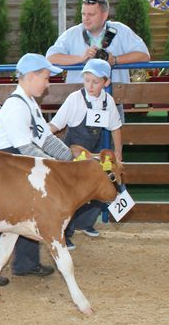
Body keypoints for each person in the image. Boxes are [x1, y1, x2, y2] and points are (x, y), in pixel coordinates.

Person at [0, 53, 73, 285]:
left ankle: (26, 263)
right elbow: (26, 147)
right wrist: (56, 167)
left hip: (15, 162)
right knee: (1, 213)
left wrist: (69, 157)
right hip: (2, 164)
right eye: (45, 78)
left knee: (28, 210)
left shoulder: (30, 103)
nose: (47, 84)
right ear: (31, 76)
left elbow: (45, 138)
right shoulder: (17, 105)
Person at [49, 58, 122, 249]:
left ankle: (85, 222)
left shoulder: (108, 101)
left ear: (106, 83)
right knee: (70, 193)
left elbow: (115, 128)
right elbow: (56, 125)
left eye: (95, 82)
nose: (90, 85)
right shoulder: (75, 99)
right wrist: (38, 133)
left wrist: (118, 155)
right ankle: (66, 233)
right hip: (72, 153)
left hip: (94, 153)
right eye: (87, 80)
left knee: (103, 183)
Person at [46, 0, 150, 94]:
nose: (85, 18)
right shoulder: (72, 33)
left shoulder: (120, 30)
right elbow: (51, 57)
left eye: (91, 14)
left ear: (105, 15)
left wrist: (114, 60)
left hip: (113, 100)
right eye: (83, 14)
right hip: (79, 101)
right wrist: (80, 59)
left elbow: (144, 55)